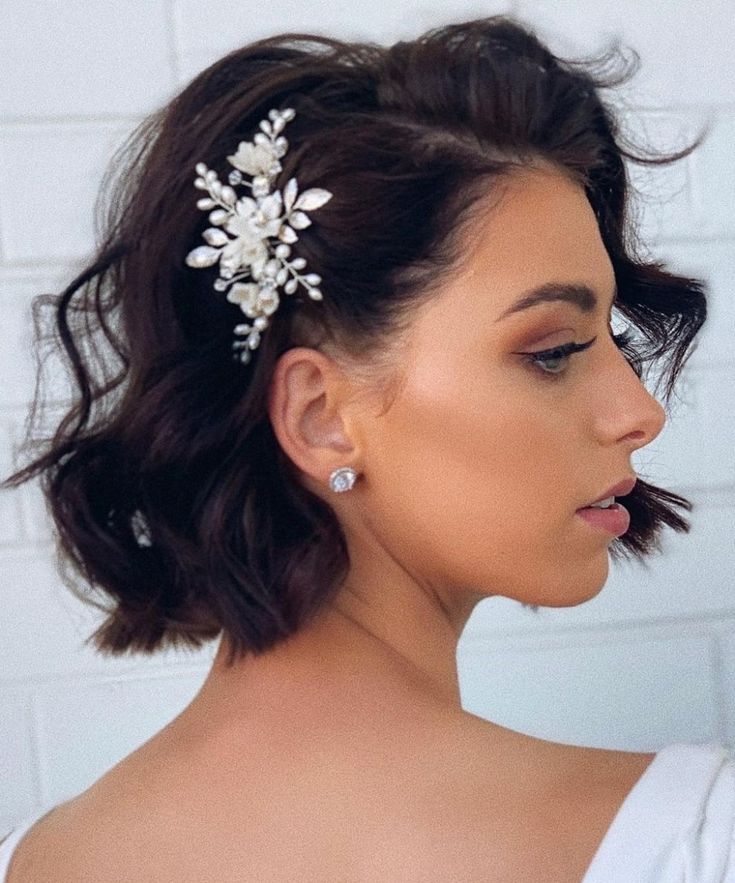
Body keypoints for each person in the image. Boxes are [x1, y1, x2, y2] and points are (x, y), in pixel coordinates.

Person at [0, 13, 729, 882]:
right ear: (318, 416)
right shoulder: (695, 841)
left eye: (612, 337)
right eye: (553, 351)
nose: (639, 410)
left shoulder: (34, 859)